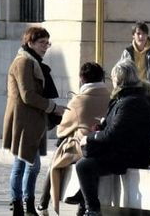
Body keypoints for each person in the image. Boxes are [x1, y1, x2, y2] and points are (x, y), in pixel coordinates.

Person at [73, 60, 150, 216]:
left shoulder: (129, 102)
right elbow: (115, 128)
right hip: (126, 151)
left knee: (83, 166)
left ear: (118, 80)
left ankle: (92, 209)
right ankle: (84, 204)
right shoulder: (129, 99)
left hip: (130, 156)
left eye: (112, 79)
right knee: (88, 158)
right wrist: (101, 127)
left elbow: (113, 134)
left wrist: (90, 137)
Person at [3, 24, 62, 216]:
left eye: (47, 43)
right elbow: (27, 94)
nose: (45, 46)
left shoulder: (34, 62)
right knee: (28, 164)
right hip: (23, 120)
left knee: (25, 164)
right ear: (30, 42)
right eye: (41, 43)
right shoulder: (23, 62)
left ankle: (25, 204)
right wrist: (53, 107)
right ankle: (19, 203)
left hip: (34, 120)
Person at [40, 60, 110, 213]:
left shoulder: (79, 100)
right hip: (105, 144)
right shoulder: (110, 97)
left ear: (82, 79)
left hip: (83, 144)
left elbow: (62, 129)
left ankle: (43, 202)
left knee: (55, 160)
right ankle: (80, 206)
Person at [119, 24, 150, 92]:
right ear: (133, 35)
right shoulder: (127, 52)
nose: (141, 36)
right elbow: (121, 72)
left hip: (148, 91)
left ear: (147, 35)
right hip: (131, 91)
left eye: (144, 33)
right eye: (138, 33)